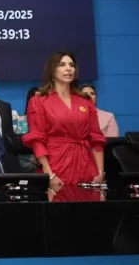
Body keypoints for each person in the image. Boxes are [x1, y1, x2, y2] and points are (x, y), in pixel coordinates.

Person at [22, 51, 106, 187]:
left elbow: (96, 138)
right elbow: (37, 141)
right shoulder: (39, 101)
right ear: (52, 70)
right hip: (56, 166)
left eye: (71, 65)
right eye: (62, 65)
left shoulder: (85, 101)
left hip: (86, 165)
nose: (68, 68)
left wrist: (100, 172)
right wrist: (49, 174)